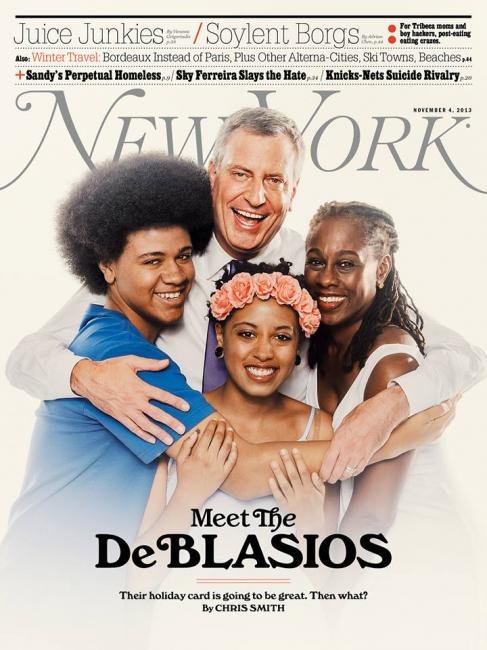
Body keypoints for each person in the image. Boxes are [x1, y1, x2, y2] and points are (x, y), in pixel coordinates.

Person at [6, 108, 486, 482]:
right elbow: (25, 356)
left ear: (293, 191)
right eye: (241, 174)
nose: (256, 197)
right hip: (166, 485)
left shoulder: (317, 266)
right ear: (212, 174)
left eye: (274, 180)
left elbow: (463, 354)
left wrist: (393, 406)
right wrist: (86, 376)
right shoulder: (161, 257)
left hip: (292, 491)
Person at [131, 261, 451, 589]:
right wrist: (187, 498)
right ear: (220, 335)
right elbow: (139, 578)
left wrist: (310, 526)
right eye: (246, 333)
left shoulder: (321, 429)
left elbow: (327, 584)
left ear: (298, 344)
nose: (264, 352)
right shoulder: (181, 413)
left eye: (282, 337)